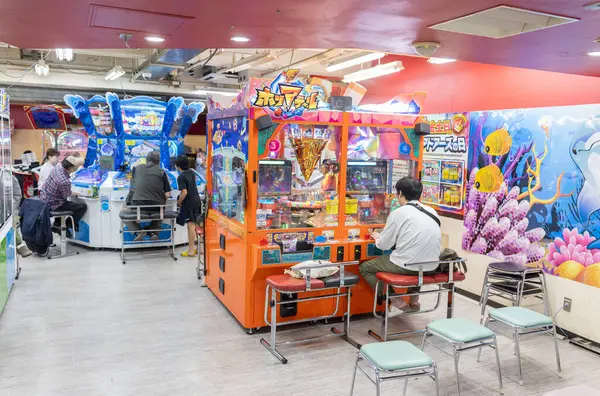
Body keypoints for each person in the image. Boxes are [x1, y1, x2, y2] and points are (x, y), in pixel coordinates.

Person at [359, 177, 442, 317]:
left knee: (365, 267)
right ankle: (414, 301)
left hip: (406, 265)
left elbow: (383, 245)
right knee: (418, 260)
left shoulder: (398, 213)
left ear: (400, 193)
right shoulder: (432, 211)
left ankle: (397, 303)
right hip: (432, 266)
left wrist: (376, 237)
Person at [124, 151, 172, 241]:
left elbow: (132, 188)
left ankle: (138, 231)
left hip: (138, 206)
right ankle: (153, 232)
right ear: (158, 162)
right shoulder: (162, 172)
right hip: (157, 207)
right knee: (161, 210)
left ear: (146, 160)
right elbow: (167, 195)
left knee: (123, 213)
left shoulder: (136, 169)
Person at [39, 156, 87, 234]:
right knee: (82, 207)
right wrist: (76, 193)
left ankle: (57, 223)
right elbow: (66, 195)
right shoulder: (64, 181)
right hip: (53, 204)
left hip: (44, 198)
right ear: (71, 168)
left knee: (62, 200)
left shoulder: (58, 166)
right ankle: (65, 226)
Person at [174, 156, 201, 257]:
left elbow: (184, 192)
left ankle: (190, 250)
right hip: (196, 200)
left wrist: (179, 202)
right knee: (197, 225)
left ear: (177, 166)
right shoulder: (192, 172)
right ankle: (199, 249)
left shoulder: (181, 177)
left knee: (191, 226)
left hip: (189, 203)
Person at [12, 175, 32, 257]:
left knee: (15, 220)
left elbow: (17, 195)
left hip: (10, 210)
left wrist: (10, 208)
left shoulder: (8, 177)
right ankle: (19, 244)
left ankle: (19, 244)